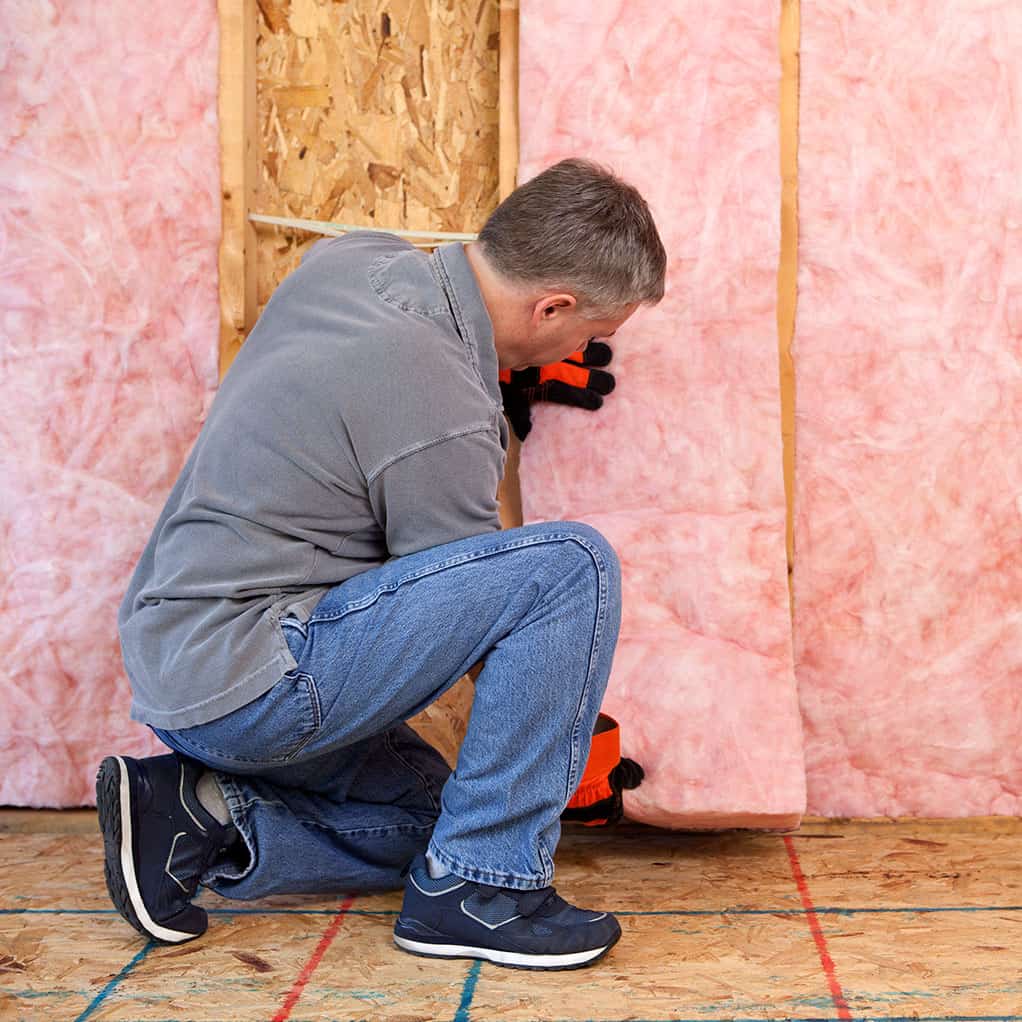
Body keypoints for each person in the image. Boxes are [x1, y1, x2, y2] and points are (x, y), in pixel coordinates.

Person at [97, 157, 666, 970]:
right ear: (554, 306)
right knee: (571, 565)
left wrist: (493, 370)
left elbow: (388, 378)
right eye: (587, 333)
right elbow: (473, 601)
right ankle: (487, 892)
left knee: (451, 821)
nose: (579, 349)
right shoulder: (447, 409)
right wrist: (571, 746)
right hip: (259, 680)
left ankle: (198, 810)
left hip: (181, 667)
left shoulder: (352, 260)